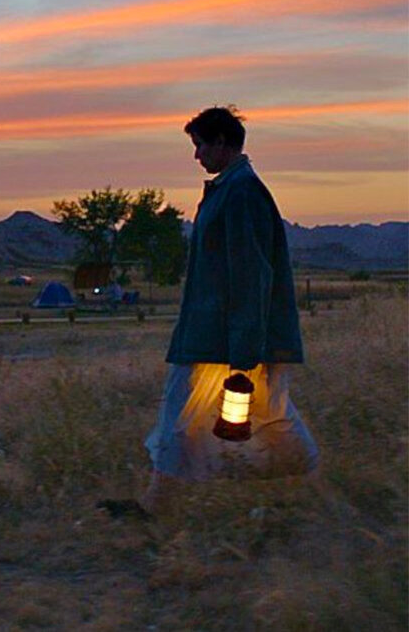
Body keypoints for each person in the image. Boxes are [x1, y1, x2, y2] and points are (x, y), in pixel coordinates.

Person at [102, 105, 319, 519]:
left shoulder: (242, 193)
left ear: (222, 143)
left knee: (240, 413)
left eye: (200, 145)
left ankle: (307, 485)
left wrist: (244, 350)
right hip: (212, 330)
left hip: (224, 335)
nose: (196, 155)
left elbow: (251, 273)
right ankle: (157, 502)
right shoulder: (229, 190)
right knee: (207, 413)